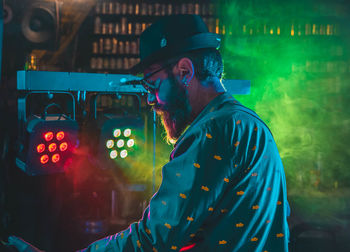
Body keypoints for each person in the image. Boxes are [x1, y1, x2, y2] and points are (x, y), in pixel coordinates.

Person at [9, 14, 290, 252]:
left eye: (152, 85)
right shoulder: (253, 126)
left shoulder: (212, 131)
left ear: (184, 71)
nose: (150, 100)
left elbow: (155, 238)